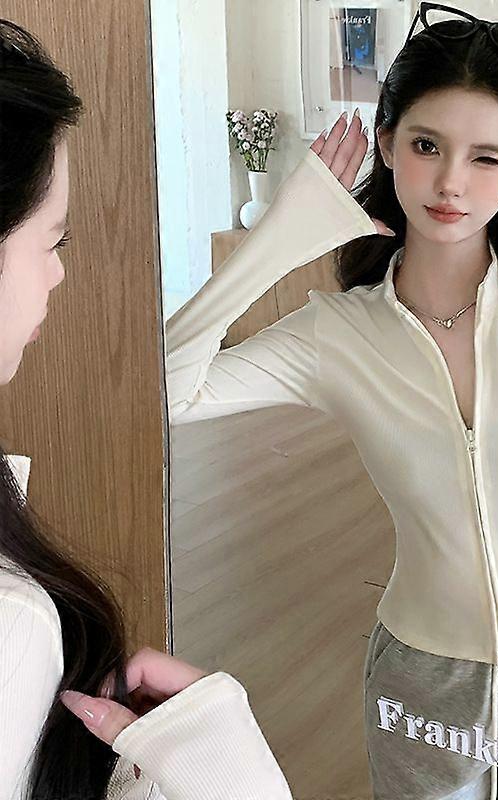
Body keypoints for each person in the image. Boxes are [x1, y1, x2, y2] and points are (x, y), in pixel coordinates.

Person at [165, 5, 498, 800]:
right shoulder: (338, 335)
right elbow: (168, 391)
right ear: (386, 144)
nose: (451, 182)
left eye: (486, 157)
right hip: (426, 683)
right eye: (426, 146)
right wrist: (280, 237)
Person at [0, 18, 294, 800]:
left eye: (488, 156)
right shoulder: (11, 624)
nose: (58, 275)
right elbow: (176, 378)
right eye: (52, 241)